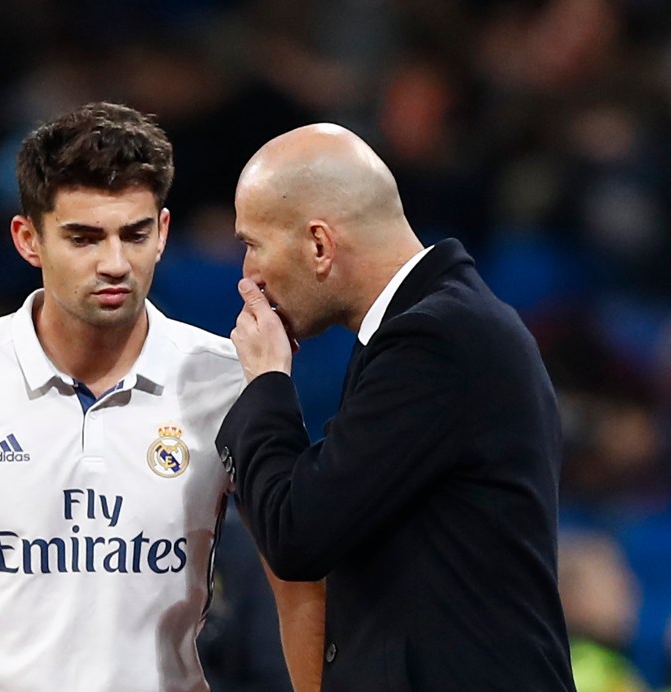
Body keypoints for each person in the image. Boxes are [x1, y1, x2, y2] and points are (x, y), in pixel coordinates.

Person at [0, 102, 309, 691]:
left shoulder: (228, 380)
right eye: (84, 238)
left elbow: (298, 578)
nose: (114, 263)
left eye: (134, 234)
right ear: (28, 239)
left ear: (162, 232)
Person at [216, 123, 577, 690]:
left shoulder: (437, 341)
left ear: (318, 245)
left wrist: (266, 382)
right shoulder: (441, 328)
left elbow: (297, 533)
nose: (247, 277)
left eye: (251, 245)